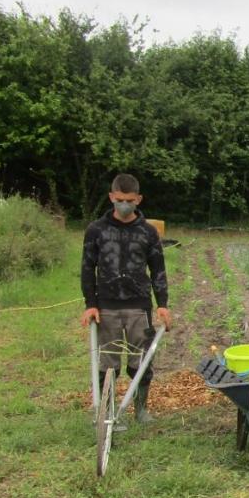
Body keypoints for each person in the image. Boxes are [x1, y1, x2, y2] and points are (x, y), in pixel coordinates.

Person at [80, 173, 172, 425]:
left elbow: (158, 269)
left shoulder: (148, 232)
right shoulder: (96, 230)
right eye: (119, 199)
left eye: (129, 200)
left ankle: (141, 409)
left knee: (140, 362)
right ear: (111, 197)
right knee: (107, 364)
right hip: (107, 305)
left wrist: (162, 304)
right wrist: (90, 305)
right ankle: (105, 411)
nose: (124, 204)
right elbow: (88, 268)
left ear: (138, 199)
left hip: (138, 305)